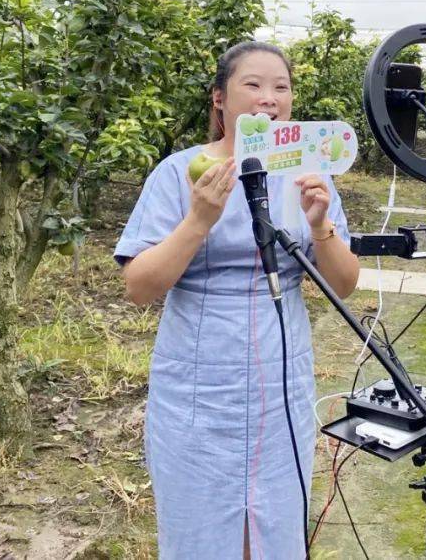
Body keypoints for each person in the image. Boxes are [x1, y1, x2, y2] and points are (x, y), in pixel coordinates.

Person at [115, 40, 361, 559]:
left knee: (274, 523)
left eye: (281, 87)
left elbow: (343, 284)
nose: (268, 99)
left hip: (282, 376)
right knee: (201, 528)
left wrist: (320, 226)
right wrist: (198, 220)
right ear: (220, 100)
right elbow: (139, 287)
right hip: (200, 384)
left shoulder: (306, 173)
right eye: (252, 85)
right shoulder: (180, 173)